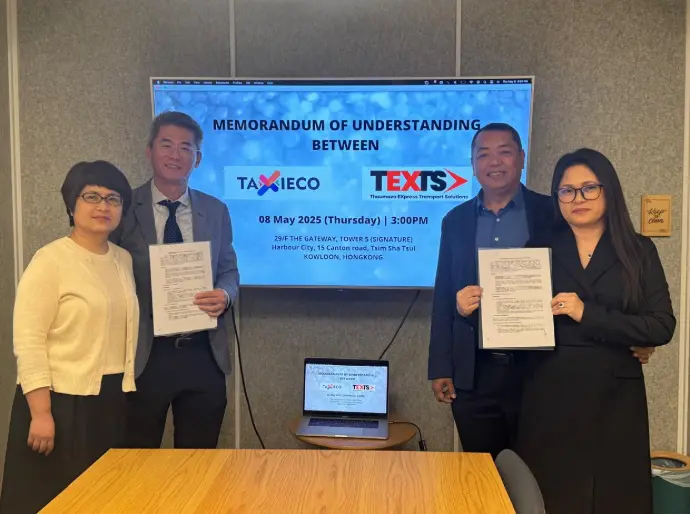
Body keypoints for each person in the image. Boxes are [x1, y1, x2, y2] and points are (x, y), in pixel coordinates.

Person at [427, 124, 655, 458]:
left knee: (540, 470)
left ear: (521, 158)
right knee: (482, 471)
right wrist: (440, 366)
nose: (494, 162)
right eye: (483, 154)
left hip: (540, 368)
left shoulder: (554, 210)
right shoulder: (455, 220)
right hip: (474, 370)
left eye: (505, 152)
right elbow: (444, 295)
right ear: (472, 164)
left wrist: (632, 333)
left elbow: (591, 274)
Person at [515, 148, 675, 514]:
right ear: (557, 198)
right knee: (552, 498)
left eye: (589, 188)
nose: (578, 198)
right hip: (549, 396)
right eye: (567, 191)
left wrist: (586, 313)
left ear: (608, 190)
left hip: (616, 401)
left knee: (615, 499)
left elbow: (661, 325)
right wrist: (474, 310)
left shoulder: (639, 250)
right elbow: (516, 324)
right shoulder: (538, 248)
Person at [0, 161, 138, 514]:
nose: (103, 206)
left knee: (103, 500)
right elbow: (29, 341)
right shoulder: (50, 260)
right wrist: (41, 414)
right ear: (71, 204)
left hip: (111, 399)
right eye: (91, 196)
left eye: (113, 198)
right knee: (53, 502)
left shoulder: (123, 260)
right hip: (59, 403)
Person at [112, 111, 239, 449]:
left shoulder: (215, 210)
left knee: (198, 461)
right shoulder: (123, 208)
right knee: (136, 460)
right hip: (145, 353)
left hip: (202, 352)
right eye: (166, 145)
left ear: (197, 159)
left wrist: (225, 295)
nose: (175, 155)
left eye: (186, 148)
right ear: (149, 151)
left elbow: (229, 270)